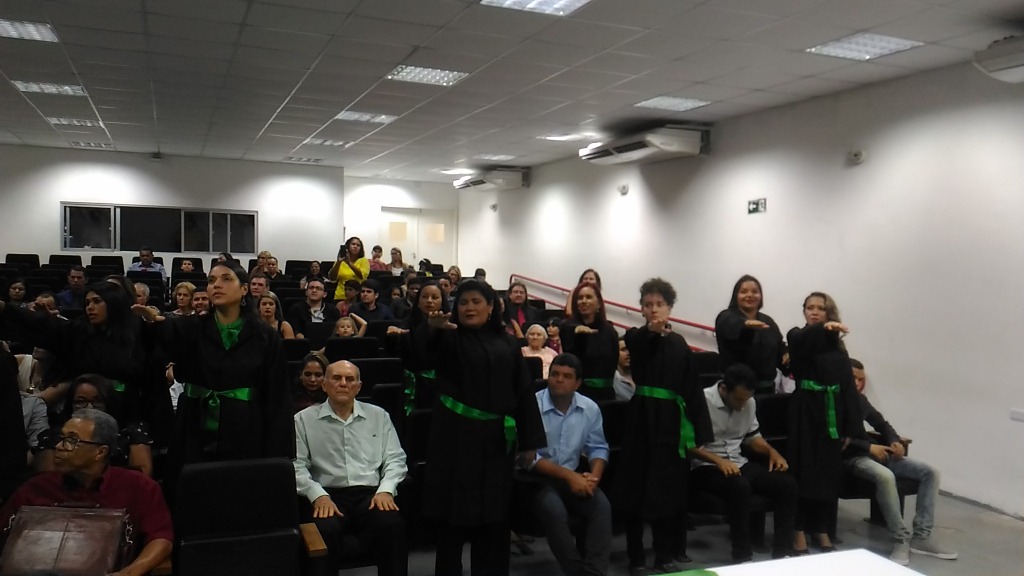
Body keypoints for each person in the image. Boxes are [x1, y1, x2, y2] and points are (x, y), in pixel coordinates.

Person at [417, 279, 546, 576]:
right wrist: (431, 329)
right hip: (454, 442)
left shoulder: (508, 343)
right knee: (452, 518)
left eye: (476, 302)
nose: (469, 307)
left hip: (495, 446)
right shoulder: (447, 338)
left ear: (491, 307)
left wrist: (529, 440)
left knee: (494, 518)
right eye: (463, 302)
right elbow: (418, 358)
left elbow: (523, 392)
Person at [137, 260, 293, 465]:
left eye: (226, 279)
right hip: (195, 424)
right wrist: (150, 325)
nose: (216, 285)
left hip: (245, 426)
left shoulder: (266, 336)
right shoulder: (189, 328)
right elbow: (156, 350)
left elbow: (278, 394)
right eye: (211, 281)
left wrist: (278, 450)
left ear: (244, 289)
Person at [612, 278, 712, 575]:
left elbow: (692, 388)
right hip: (642, 420)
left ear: (669, 308)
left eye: (659, 304)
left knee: (667, 490)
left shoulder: (680, 343)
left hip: (670, 422)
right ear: (641, 309)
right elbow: (641, 344)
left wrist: (701, 431)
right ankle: (636, 557)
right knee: (636, 489)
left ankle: (664, 554)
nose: (654, 309)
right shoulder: (636, 337)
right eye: (648, 304)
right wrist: (651, 333)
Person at [0, 409, 173, 575]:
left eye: (71, 440)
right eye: (61, 438)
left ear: (100, 452)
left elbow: (161, 539)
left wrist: (128, 573)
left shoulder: (139, 486)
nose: (59, 446)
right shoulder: (36, 488)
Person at [294, 360, 408, 576]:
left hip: (370, 495)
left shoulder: (379, 416)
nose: (343, 383)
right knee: (325, 529)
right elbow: (296, 465)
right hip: (328, 495)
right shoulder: (302, 420)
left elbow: (395, 458)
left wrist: (386, 490)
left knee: (392, 525)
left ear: (359, 386)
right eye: (336, 378)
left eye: (350, 379)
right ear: (324, 385)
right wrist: (317, 496)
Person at [844, 358, 957, 565]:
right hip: (852, 458)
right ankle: (901, 538)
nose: (858, 383)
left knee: (930, 473)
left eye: (861, 379)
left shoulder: (861, 401)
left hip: (877, 453)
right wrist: (868, 447)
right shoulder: (832, 401)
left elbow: (882, 424)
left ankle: (921, 537)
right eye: (853, 378)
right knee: (886, 476)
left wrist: (894, 441)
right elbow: (837, 439)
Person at [690, 364, 798, 562]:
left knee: (787, 484)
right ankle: (742, 555)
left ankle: (783, 552)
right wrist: (718, 461)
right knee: (739, 487)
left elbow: (752, 437)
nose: (742, 406)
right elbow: (688, 445)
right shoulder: (701, 401)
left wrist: (772, 452)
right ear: (724, 389)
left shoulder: (749, 402)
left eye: (746, 400)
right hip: (705, 465)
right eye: (738, 400)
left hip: (738, 461)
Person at [786, 292, 864, 554]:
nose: (815, 312)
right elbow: (800, 344)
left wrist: (850, 428)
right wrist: (823, 329)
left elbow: (847, 389)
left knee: (826, 475)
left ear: (829, 312)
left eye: (821, 308)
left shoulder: (838, 349)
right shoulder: (797, 336)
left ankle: (821, 528)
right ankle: (798, 529)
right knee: (803, 472)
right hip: (806, 414)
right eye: (810, 308)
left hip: (832, 415)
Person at [522, 353, 611, 576]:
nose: (559, 380)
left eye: (566, 376)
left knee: (601, 506)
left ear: (577, 383)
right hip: (535, 480)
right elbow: (526, 458)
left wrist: (593, 478)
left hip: (573, 476)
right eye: (555, 374)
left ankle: (594, 572)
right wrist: (569, 476)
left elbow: (598, 447)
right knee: (554, 510)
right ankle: (576, 572)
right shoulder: (531, 406)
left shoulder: (589, 408)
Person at [34, 373, 154, 477]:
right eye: (81, 401)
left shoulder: (132, 432)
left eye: (97, 401)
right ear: (70, 404)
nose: (89, 407)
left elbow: (142, 473)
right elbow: (48, 479)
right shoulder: (53, 436)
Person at [715, 275, 787, 394]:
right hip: (736, 391)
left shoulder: (768, 321)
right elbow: (731, 326)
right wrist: (745, 324)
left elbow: (779, 345)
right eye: (744, 292)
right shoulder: (726, 317)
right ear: (736, 296)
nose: (749, 295)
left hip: (766, 390)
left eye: (755, 292)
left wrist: (785, 354)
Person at [560, 283, 619, 402]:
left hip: (605, 395)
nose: (584, 301)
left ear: (599, 303)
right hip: (578, 394)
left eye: (588, 297)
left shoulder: (610, 331)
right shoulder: (568, 328)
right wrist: (578, 333)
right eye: (580, 298)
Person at [287, 278, 340, 347]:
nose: (314, 290)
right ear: (306, 292)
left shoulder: (332, 310)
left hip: (328, 346)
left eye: (318, 288)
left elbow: (337, 330)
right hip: (303, 345)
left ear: (325, 294)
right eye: (311, 288)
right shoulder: (296, 309)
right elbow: (295, 331)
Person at [612, 336, 634, 401]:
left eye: (631, 349)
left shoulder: (644, 379)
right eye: (623, 349)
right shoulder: (612, 380)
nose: (628, 353)